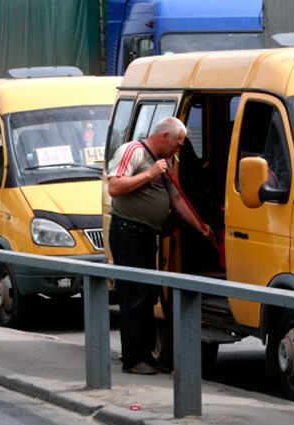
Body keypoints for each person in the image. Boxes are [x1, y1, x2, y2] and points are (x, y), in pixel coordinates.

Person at [107, 116, 212, 375]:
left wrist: (200, 227)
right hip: (127, 232)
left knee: (148, 296)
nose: (179, 149)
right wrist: (150, 174)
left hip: (147, 235)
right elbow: (114, 186)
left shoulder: (165, 164)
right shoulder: (133, 151)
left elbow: (176, 200)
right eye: (177, 144)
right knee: (134, 296)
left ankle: (146, 356)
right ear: (164, 136)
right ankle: (133, 360)